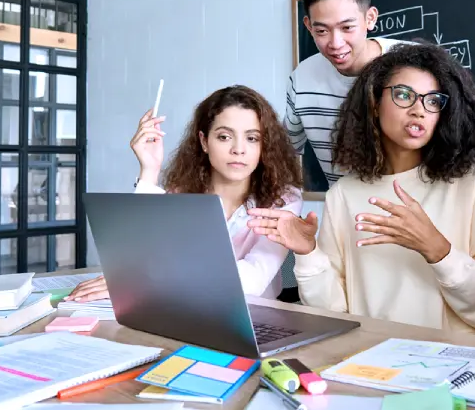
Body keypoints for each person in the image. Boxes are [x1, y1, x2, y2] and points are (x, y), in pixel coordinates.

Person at [250, 42, 475, 338]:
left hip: (457, 368)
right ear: (374, 103)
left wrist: (438, 250)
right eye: (404, 95)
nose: (419, 110)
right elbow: (334, 313)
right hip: (371, 364)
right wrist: (307, 252)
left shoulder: (474, 184)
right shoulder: (344, 194)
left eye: (432, 100)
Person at [286, 0, 475, 250]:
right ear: (307, 26)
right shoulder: (301, 79)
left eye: (347, 27)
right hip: (352, 225)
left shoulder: (415, 67)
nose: (335, 43)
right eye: (321, 30)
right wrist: (286, 211)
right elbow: (286, 152)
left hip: (427, 226)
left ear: (370, 18)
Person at [66, 85, 304, 302]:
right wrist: (149, 170)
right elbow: (138, 257)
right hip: (182, 308)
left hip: (256, 319)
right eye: (224, 137)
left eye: (252, 138)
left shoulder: (284, 199)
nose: (238, 149)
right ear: (204, 141)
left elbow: (253, 281)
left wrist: (148, 279)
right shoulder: (182, 192)